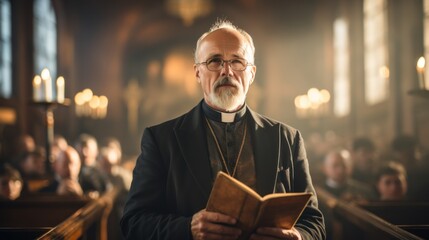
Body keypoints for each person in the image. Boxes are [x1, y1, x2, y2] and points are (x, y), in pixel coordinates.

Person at [121, 20, 325, 240]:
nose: (226, 71)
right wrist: (187, 228)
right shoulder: (161, 140)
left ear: (252, 73)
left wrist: (298, 237)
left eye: (237, 62)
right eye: (214, 61)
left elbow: (314, 223)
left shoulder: (287, 138)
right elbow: (133, 222)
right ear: (197, 72)